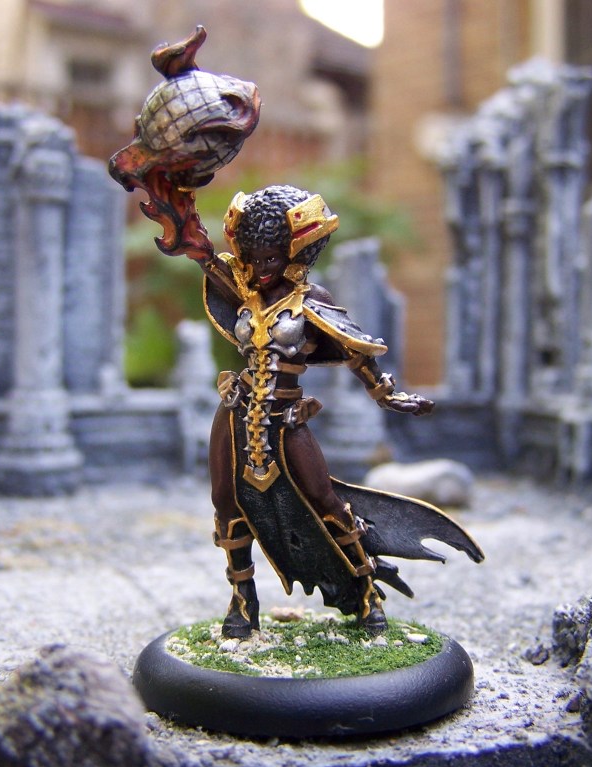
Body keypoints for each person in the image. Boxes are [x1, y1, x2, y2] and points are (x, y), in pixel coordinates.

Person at [195, 185, 481, 638]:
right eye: (253, 257)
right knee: (226, 503)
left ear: (294, 254)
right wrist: (184, 225)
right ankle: (242, 600)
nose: (260, 268)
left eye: (271, 258)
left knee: (325, 500)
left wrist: (386, 395)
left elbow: (355, 350)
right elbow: (206, 259)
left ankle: (365, 591)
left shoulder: (310, 300)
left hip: (286, 418)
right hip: (237, 410)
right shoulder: (247, 292)